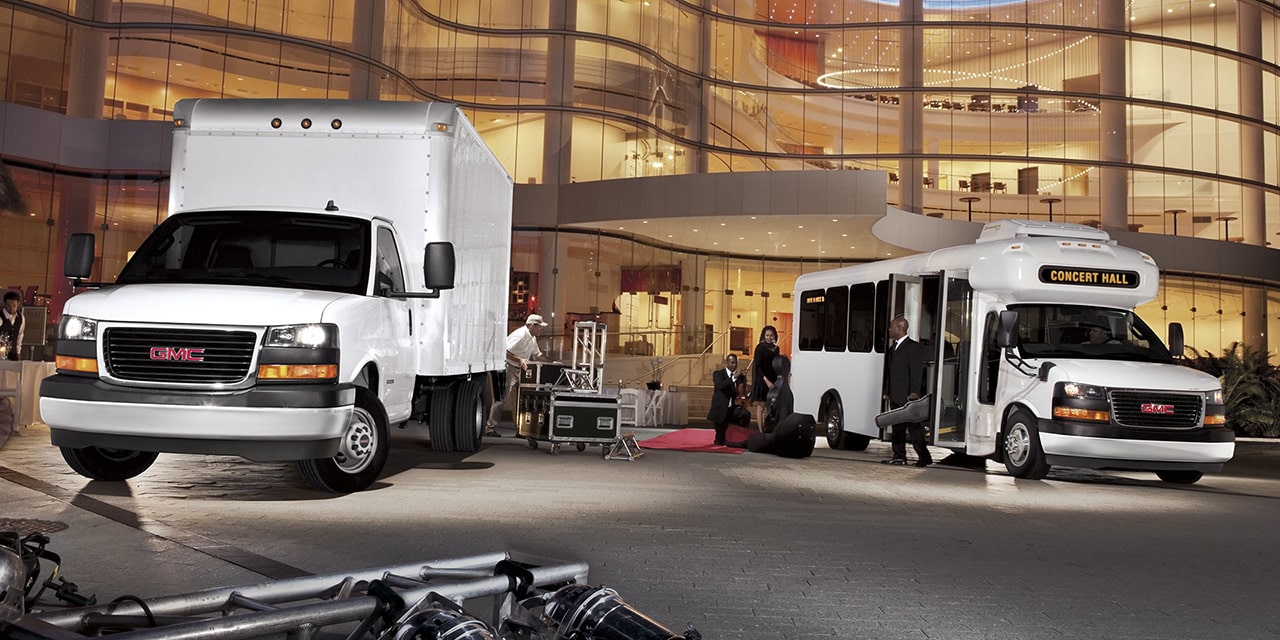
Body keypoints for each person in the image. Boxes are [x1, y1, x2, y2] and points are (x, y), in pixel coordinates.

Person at [485, 314, 554, 437]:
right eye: (540, 327)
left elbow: (537, 354)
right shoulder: (520, 335)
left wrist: (552, 361)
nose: (541, 330)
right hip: (507, 367)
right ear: (532, 326)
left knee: (520, 400)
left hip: (519, 369)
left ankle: (521, 429)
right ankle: (490, 428)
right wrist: (519, 360)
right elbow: (504, 351)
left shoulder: (531, 337)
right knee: (501, 398)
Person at [882, 316, 932, 467]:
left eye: (892, 327)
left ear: (901, 328)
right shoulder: (892, 349)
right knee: (897, 427)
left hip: (908, 396)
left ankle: (924, 456)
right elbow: (889, 373)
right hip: (895, 394)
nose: (890, 330)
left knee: (914, 428)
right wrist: (887, 391)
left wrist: (914, 392)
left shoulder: (913, 347)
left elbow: (916, 372)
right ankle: (899, 456)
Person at [707, 354, 746, 446]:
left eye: (735, 363)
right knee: (720, 441)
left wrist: (746, 393)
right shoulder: (718, 374)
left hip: (733, 408)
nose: (734, 365)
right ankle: (721, 436)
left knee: (745, 414)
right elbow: (720, 385)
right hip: (721, 409)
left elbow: (741, 391)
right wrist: (733, 378)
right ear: (727, 363)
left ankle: (739, 437)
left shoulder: (741, 377)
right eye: (732, 363)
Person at [749, 325, 780, 431]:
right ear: (763, 336)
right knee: (761, 406)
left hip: (773, 379)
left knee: (770, 406)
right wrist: (766, 380)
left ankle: (768, 428)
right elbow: (758, 366)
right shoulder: (760, 347)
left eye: (771, 335)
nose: (769, 337)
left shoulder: (776, 349)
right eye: (767, 335)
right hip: (762, 380)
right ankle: (761, 430)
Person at [1, 291, 21, 361]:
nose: (12, 308)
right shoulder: (1, 317)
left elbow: (19, 335)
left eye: (14, 305)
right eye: (9, 305)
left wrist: (18, 351)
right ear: (4, 304)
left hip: (13, 354)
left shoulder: (21, 318)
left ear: (18, 304)